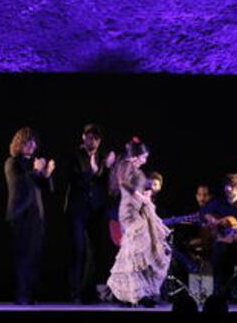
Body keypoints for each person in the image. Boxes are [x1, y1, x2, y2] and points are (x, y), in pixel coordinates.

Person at [106, 137, 172, 306]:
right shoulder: (126, 164)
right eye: (144, 156)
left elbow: (136, 187)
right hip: (129, 212)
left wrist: (146, 194)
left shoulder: (136, 169)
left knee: (141, 250)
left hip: (139, 210)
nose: (145, 160)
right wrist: (139, 195)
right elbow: (124, 183)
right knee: (136, 249)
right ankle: (135, 293)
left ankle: (138, 293)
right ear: (137, 155)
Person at [64, 123, 116, 303]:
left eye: (95, 138)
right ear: (83, 137)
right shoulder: (75, 156)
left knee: (96, 252)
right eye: (89, 137)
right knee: (79, 250)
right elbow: (75, 180)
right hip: (78, 210)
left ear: (100, 141)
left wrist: (108, 167)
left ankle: (88, 291)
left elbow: (108, 185)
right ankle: (75, 293)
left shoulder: (103, 157)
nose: (92, 140)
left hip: (96, 210)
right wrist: (95, 170)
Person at [4, 127, 55, 304]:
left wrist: (47, 174)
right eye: (28, 142)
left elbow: (47, 188)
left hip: (36, 216)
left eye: (33, 142)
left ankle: (31, 294)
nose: (32, 145)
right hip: (19, 215)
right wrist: (35, 171)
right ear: (19, 144)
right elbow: (17, 184)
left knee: (34, 255)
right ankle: (21, 294)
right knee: (22, 256)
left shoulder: (35, 162)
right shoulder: (12, 163)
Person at [202, 173, 237, 301]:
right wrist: (212, 220)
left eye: (231, 186)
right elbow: (203, 212)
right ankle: (218, 290)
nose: (228, 189)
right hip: (223, 243)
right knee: (218, 247)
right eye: (226, 186)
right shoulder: (218, 203)